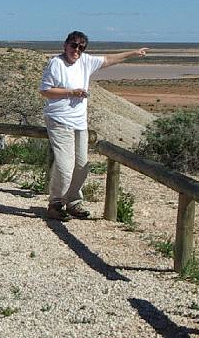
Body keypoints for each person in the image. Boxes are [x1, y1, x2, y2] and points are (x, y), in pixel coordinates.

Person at [39, 31, 148, 221]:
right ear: (65, 45)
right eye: (74, 46)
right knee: (65, 166)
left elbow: (108, 59)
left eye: (81, 47)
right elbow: (46, 91)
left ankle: (73, 202)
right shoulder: (56, 63)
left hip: (79, 122)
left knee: (81, 165)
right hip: (59, 120)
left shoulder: (85, 62)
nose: (77, 51)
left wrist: (132, 53)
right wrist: (71, 92)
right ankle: (55, 203)